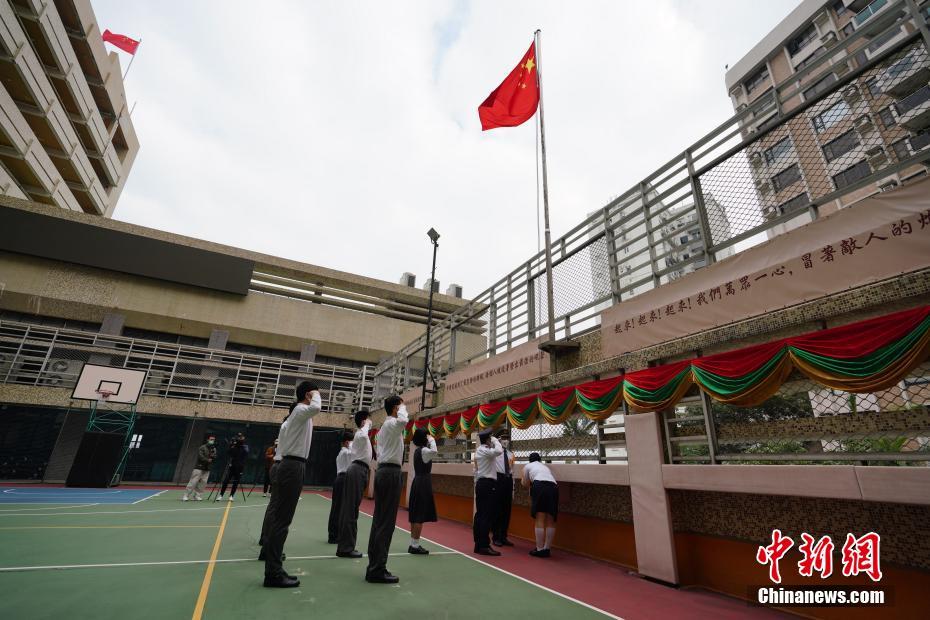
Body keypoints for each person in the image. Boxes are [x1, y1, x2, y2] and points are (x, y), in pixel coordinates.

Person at [261, 380, 321, 588]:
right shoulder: (301, 410)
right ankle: (273, 572)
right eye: (314, 392)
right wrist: (314, 393)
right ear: (307, 395)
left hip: (290, 464)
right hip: (292, 466)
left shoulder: (298, 415)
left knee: (279, 516)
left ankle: (273, 566)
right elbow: (317, 407)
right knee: (282, 520)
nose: (317, 395)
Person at [365, 394, 408, 584]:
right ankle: (377, 568)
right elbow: (405, 420)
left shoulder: (387, 426)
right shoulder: (392, 424)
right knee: (386, 522)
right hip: (390, 472)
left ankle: (374, 565)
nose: (404, 408)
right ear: (395, 408)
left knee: (380, 520)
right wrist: (402, 409)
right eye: (401, 405)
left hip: (386, 472)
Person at [337, 410, 372, 559]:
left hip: (361, 470)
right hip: (357, 469)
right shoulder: (360, 433)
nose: (371, 422)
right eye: (368, 420)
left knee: (352, 509)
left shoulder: (361, 435)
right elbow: (364, 434)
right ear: (364, 421)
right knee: (350, 510)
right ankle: (346, 547)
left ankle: (346, 546)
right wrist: (366, 426)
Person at [521, 452, 559, 558]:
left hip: (540, 485)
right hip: (553, 486)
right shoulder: (544, 466)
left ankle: (539, 549)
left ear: (530, 460)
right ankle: (547, 549)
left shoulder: (528, 466)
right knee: (551, 518)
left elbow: (525, 483)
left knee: (540, 517)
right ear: (540, 459)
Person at [473, 428, 503, 556]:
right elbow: (499, 451)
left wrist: (493, 440)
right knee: (486, 515)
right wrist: (495, 440)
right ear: (487, 439)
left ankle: (479, 544)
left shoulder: (481, 450)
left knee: (480, 515)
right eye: (490, 438)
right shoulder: (485, 450)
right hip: (487, 484)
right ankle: (484, 545)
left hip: (482, 484)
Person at [407, 428, 438, 555]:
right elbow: (435, 451)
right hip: (423, 482)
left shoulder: (417, 451)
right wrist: (432, 439)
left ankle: (413, 544)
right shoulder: (424, 450)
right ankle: (415, 545)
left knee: (415, 515)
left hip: (417, 481)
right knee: (419, 515)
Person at [327, 430, 353, 544]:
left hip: (343, 479)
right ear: (347, 442)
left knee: (340, 508)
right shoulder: (345, 453)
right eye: (351, 441)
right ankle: (333, 535)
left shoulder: (344, 452)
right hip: (342, 479)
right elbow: (354, 453)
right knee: (337, 508)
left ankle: (335, 533)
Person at [492, 429, 516, 547]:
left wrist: (513, 490)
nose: (506, 440)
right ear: (498, 439)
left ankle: (504, 536)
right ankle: (496, 536)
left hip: (508, 480)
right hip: (498, 479)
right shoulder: (495, 453)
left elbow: (513, 471)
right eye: (504, 438)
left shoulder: (511, 454)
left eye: (508, 438)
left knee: (507, 510)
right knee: (497, 510)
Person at [216, 432, 249, 502]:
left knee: (236, 482)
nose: (240, 439)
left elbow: (246, 452)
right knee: (226, 481)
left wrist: (238, 443)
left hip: (240, 467)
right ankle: (221, 495)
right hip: (232, 466)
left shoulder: (245, 447)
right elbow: (229, 453)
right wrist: (231, 445)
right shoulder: (234, 446)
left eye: (241, 438)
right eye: (239, 437)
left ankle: (231, 495)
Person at [182, 435, 217, 501]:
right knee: (193, 482)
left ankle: (197, 496)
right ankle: (186, 495)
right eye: (211, 439)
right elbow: (200, 456)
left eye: (213, 440)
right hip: (199, 467)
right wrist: (208, 460)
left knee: (203, 483)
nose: (212, 441)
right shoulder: (202, 447)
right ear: (207, 439)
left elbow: (214, 457)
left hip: (207, 468)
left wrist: (213, 457)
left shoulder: (214, 449)